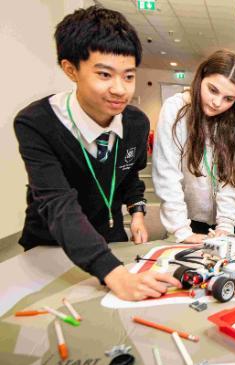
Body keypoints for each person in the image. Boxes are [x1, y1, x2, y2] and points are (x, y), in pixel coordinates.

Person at [14, 6, 181, 301]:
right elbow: (57, 203)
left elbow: (129, 175)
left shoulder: (135, 123)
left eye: (128, 76)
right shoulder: (37, 123)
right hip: (52, 246)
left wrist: (138, 213)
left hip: (110, 241)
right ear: (70, 70)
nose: (119, 89)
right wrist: (114, 274)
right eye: (104, 74)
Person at [152, 50, 235, 244]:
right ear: (201, 76)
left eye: (228, 99)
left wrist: (225, 225)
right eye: (212, 90)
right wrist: (182, 231)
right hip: (185, 221)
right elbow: (167, 174)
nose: (217, 103)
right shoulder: (176, 110)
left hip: (223, 226)